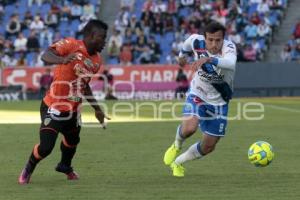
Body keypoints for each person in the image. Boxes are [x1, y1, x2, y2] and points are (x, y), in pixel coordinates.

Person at [18, 19, 110, 184]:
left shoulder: (96, 61)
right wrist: (62, 59)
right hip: (53, 106)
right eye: (103, 37)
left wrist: (97, 109)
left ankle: (64, 166)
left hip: (73, 110)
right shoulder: (70, 44)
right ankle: (29, 167)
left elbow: (84, 86)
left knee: (73, 140)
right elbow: (45, 55)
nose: (105, 42)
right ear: (92, 35)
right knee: (46, 148)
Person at [163, 21, 237, 177]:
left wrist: (208, 60)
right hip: (198, 93)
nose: (214, 44)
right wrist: (181, 56)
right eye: (210, 40)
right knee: (189, 128)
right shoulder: (197, 41)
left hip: (219, 101)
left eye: (218, 40)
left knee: (209, 146)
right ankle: (176, 145)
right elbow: (187, 43)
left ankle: (178, 163)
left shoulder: (229, 48)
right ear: (205, 38)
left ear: (223, 39)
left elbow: (230, 63)